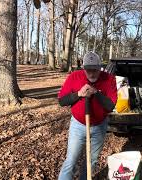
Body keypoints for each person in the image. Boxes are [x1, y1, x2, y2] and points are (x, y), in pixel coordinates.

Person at [57, 52, 117, 180]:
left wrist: (96, 93)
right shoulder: (74, 76)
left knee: (91, 161)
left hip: (99, 126)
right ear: (83, 68)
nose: (91, 74)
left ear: (100, 68)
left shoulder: (109, 79)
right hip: (78, 125)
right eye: (88, 70)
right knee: (71, 160)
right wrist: (78, 94)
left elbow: (110, 105)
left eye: (95, 70)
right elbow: (62, 101)